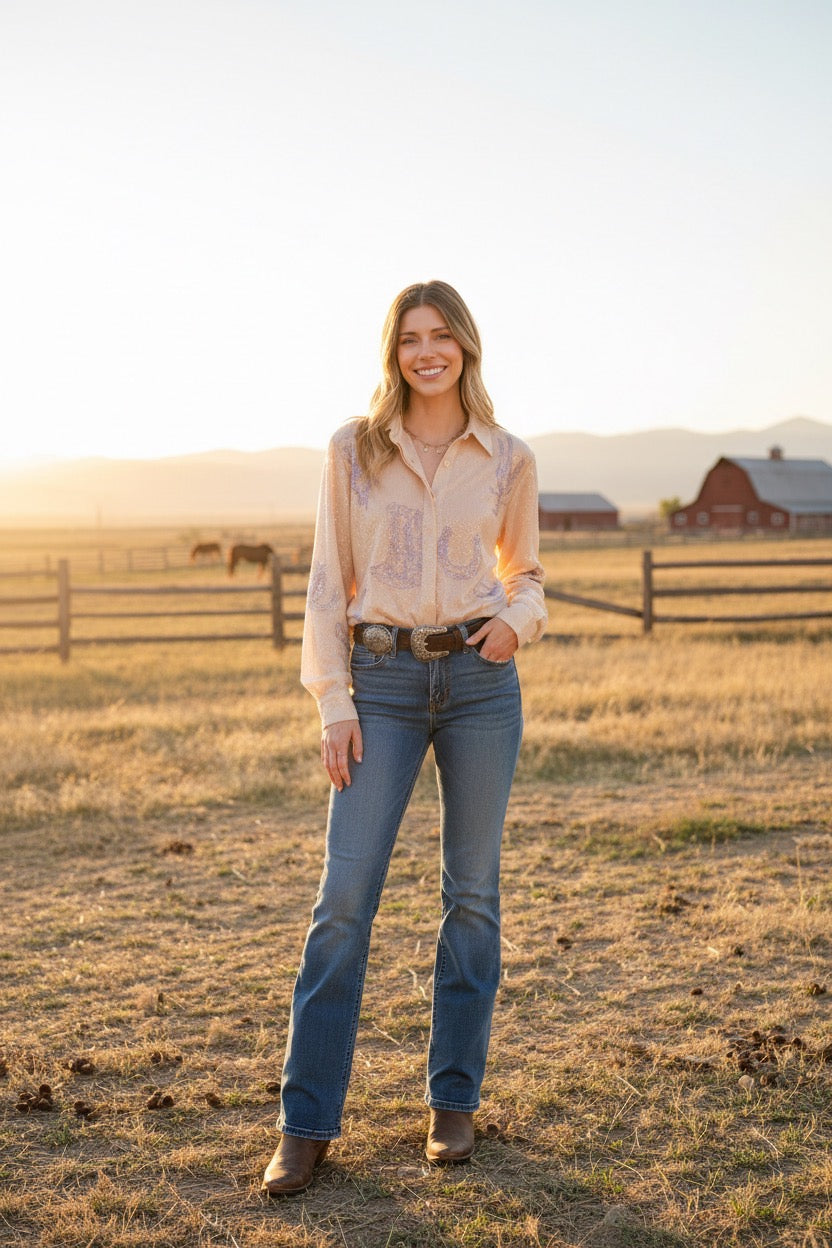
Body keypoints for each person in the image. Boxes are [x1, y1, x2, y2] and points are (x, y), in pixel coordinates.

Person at [262, 280, 547, 1196]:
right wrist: (332, 702)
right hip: (378, 681)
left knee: (471, 894)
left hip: (478, 683)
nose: (428, 352)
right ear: (395, 351)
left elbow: (527, 572)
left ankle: (453, 1103)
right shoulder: (354, 449)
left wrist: (518, 623)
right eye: (411, 338)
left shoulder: (507, 458)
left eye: (443, 336)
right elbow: (324, 579)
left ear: (467, 344)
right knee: (343, 901)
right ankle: (305, 1124)